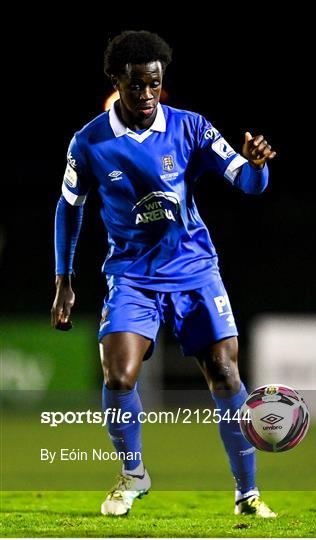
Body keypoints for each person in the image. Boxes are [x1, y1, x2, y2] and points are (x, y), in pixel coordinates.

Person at [51, 30, 277, 518]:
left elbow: (246, 179)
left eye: (155, 83)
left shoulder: (190, 127)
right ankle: (133, 475)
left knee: (223, 373)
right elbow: (68, 208)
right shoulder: (89, 143)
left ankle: (247, 494)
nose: (147, 95)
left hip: (194, 270)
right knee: (118, 374)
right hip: (132, 275)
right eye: (136, 85)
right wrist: (63, 281)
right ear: (116, 80)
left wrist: (258, 167)